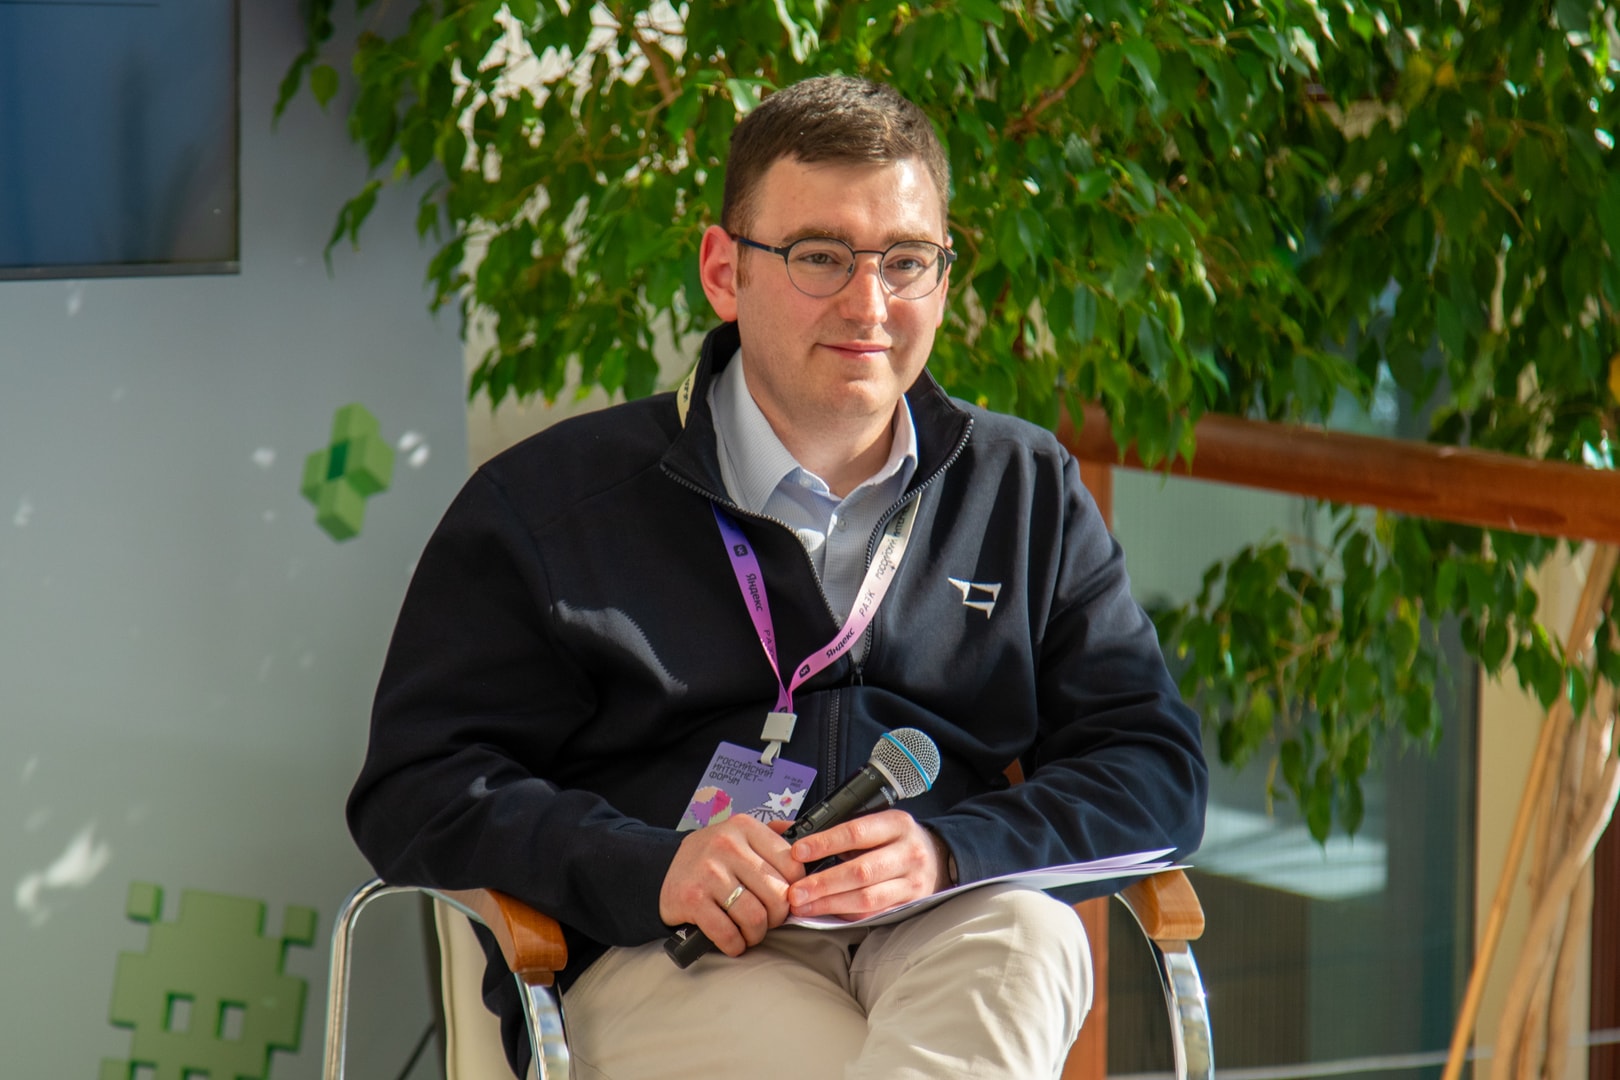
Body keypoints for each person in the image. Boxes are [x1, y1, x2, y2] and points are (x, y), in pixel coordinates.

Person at [350, 75, 1207, 1079]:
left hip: (936, 918)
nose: (869, 304)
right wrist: (648, 864)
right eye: (820, 256)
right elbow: (420, 786)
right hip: (675, 948)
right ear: (725, 271)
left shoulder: (1023, 489)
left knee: (1034, 938)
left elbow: (1153, 768)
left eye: (906, 261)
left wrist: (953, 850)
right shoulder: (547, 505)